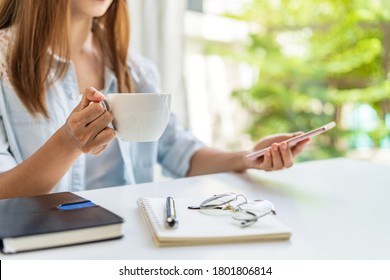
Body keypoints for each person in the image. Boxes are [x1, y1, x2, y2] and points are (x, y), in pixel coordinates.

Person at [0, 0, 308, 199]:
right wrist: (68, 142)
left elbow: (181, 153)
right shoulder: (4, 63)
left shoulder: (136, 70)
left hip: (130, 245)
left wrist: (248, 158)